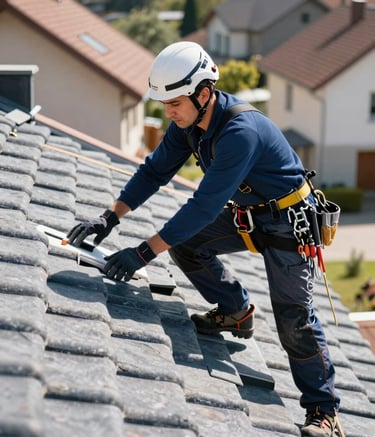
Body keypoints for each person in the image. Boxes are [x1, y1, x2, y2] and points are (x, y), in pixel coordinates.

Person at [66, 41, 341, 437]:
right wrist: (109, 218)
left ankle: (323, 412)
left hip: (287, 225)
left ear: (204, 93)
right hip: (250, 216)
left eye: (174, 102)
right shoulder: (189, 124)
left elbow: (203, 207)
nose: (168, 112)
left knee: (293, 320)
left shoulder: (240, 133)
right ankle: (235, 310)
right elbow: (154, 171)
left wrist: (142, 254)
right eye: (165, 104)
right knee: (186, 243)